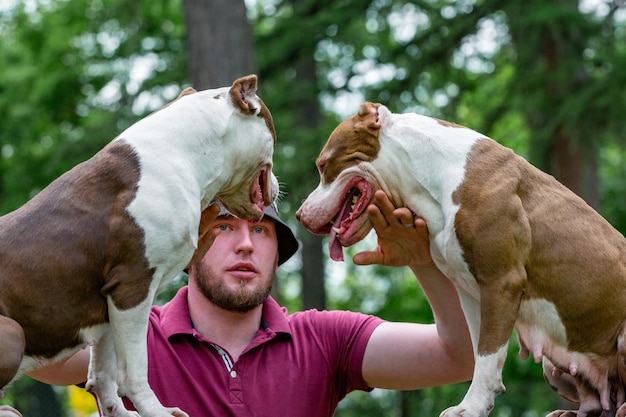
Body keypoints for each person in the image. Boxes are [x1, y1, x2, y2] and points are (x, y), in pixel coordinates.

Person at [27, 191, 473, 416]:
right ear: (187, 247)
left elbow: (461, 358)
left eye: (260, 230)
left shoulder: (325, 339)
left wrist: (429, 263)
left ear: (277, 254)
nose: (245, 244)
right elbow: (37, 355)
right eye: (224, 227)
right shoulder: (133, 336)